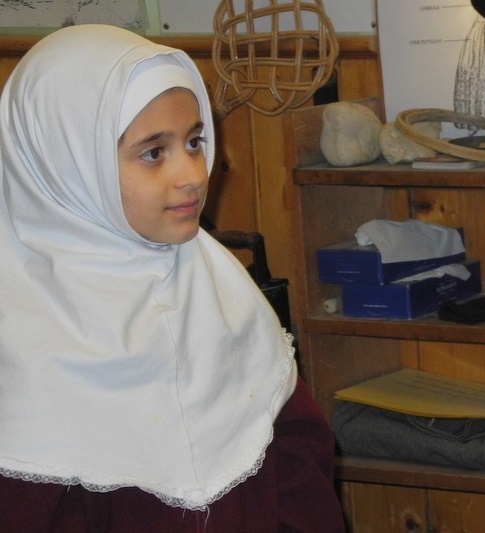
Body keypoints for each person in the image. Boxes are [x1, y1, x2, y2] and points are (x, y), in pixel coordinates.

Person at [0, 24, 345, 532]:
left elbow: (298, 464)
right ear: (67, 167)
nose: (191, 175)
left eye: (194, 141)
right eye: (153, 153)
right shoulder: (18, 339)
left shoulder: (221, 289)